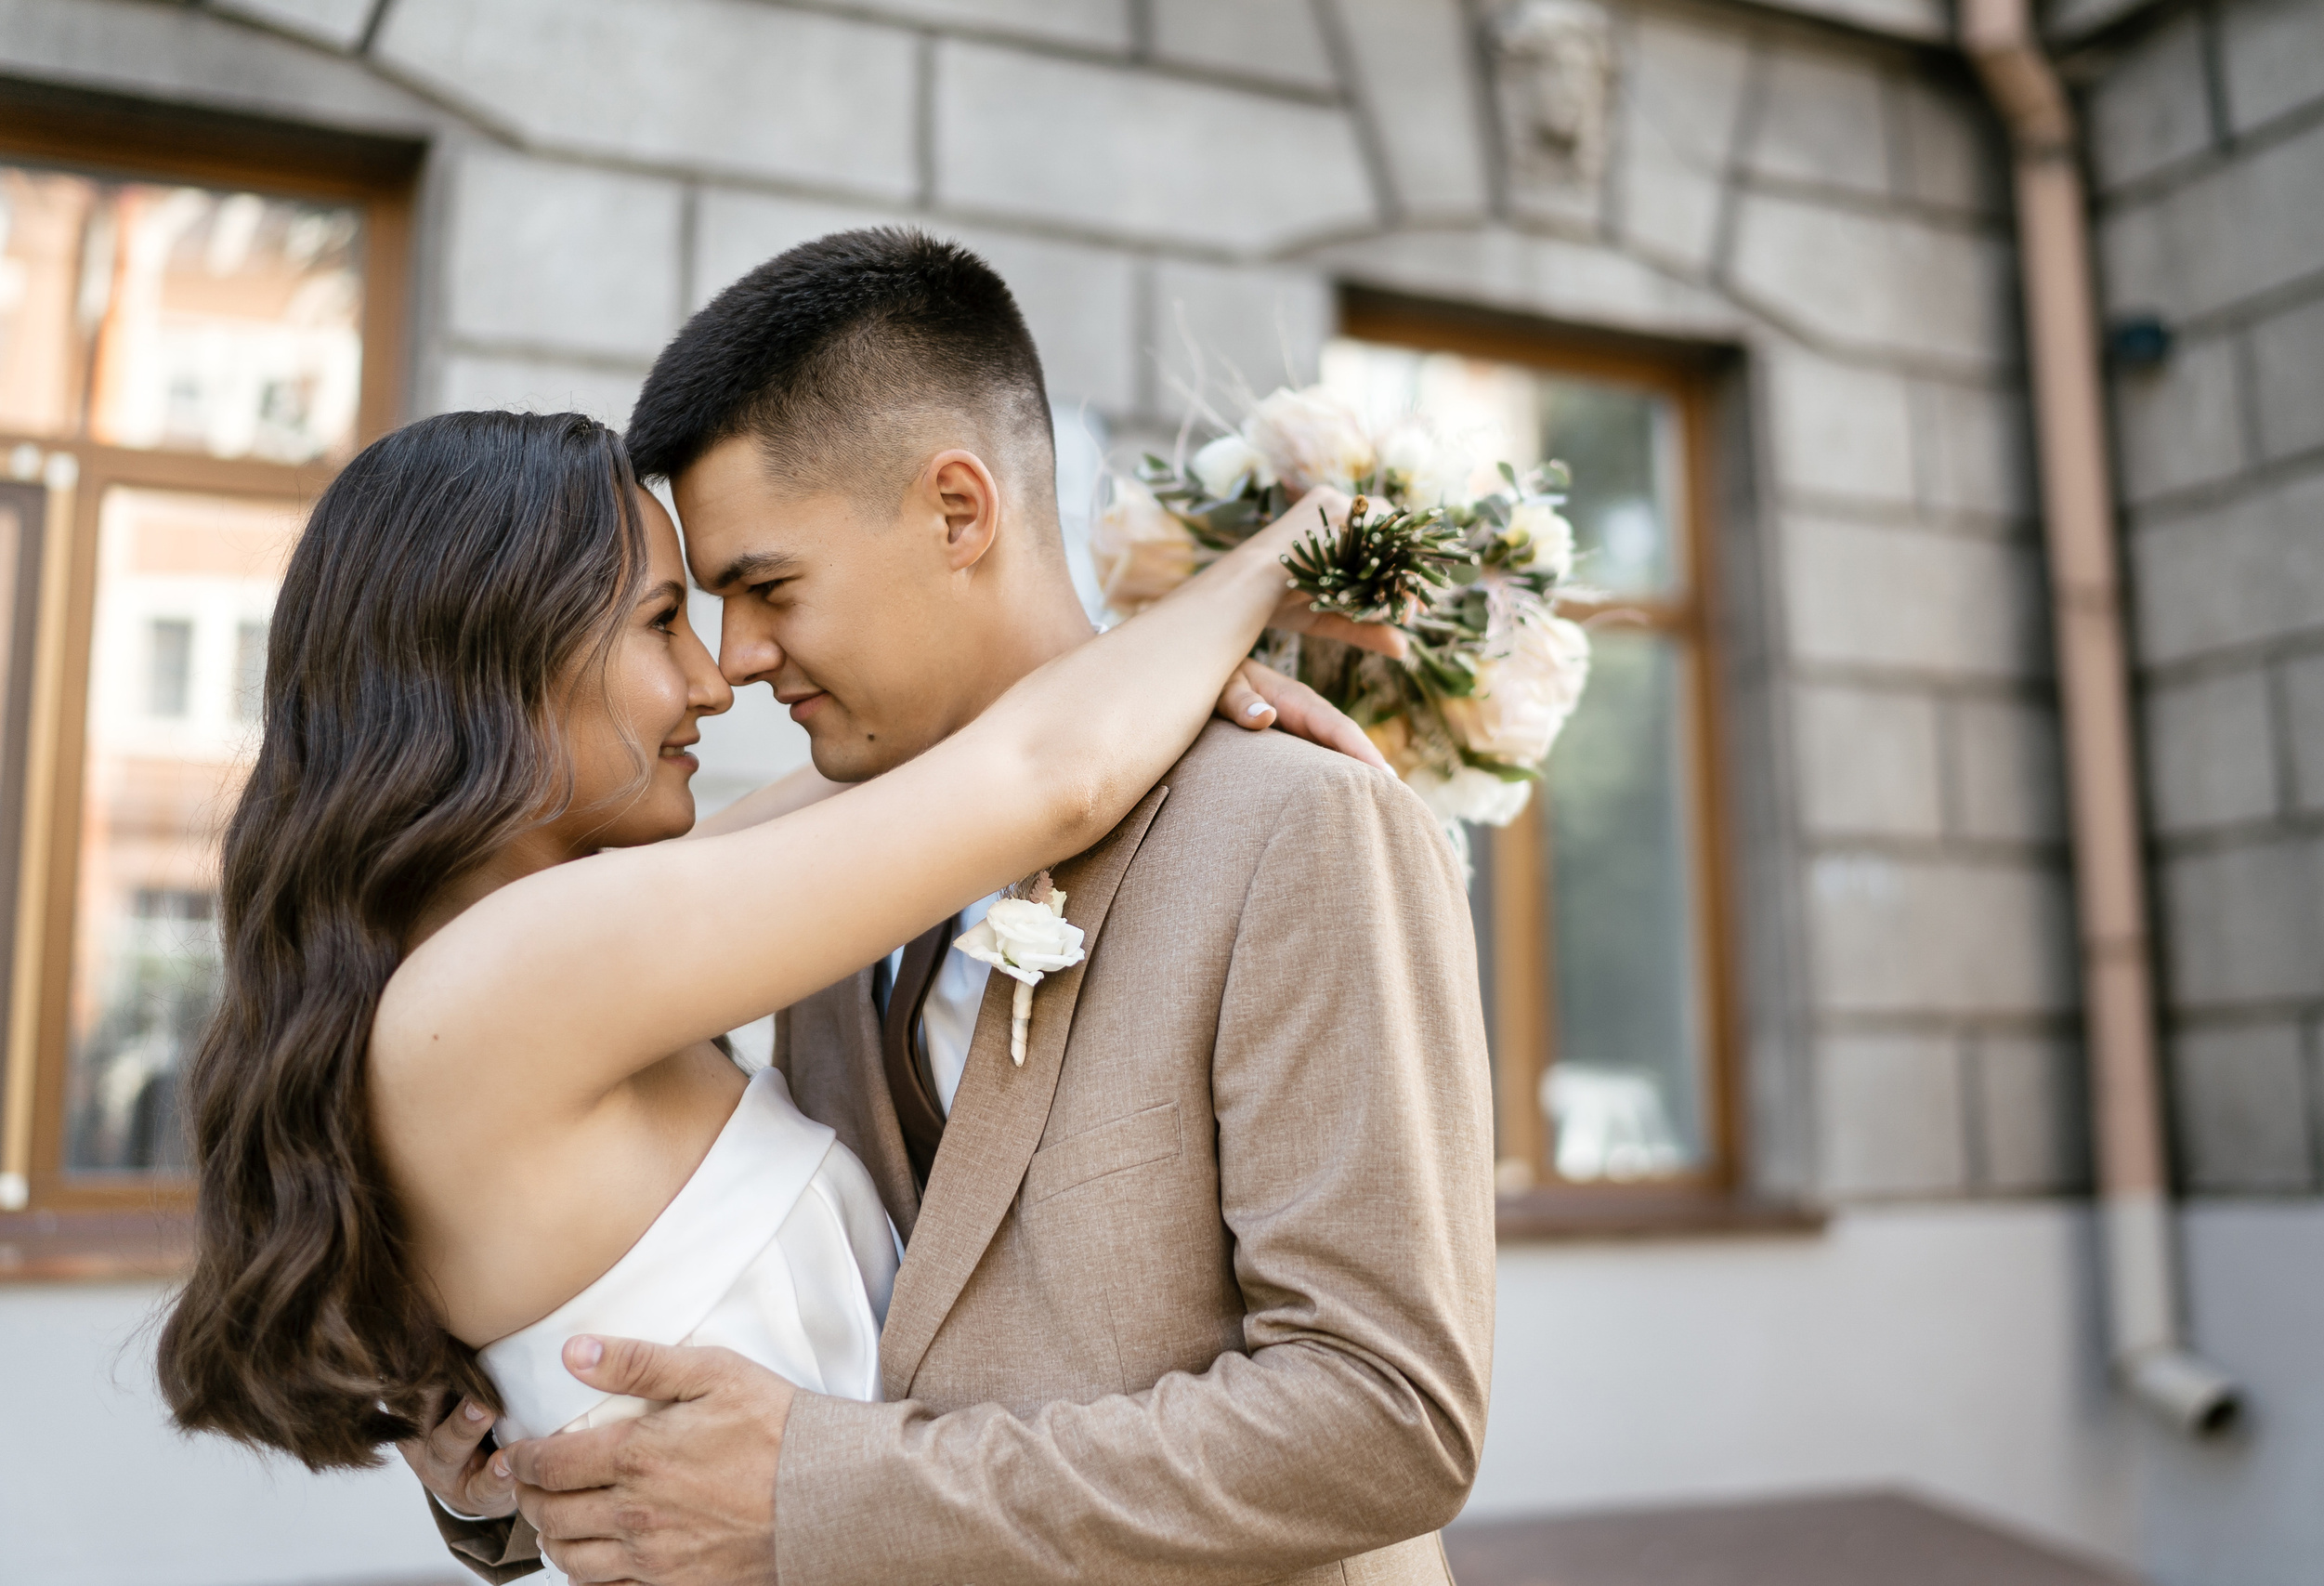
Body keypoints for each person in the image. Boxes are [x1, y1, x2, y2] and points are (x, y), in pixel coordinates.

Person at [412, 229, 1496, 1586]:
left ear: (958, 513)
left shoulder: (1291, 822)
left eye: (766, 587)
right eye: (698, 609)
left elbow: (1387, 1423)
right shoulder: (821, 889)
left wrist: (828, 1494)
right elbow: (819, 1328)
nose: (736, 663)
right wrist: (520, 1468)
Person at [150, 404, 1384, 1553]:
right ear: (497, 659)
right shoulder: (514, 979)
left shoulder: (507, 952)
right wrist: (1294, 547)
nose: (711, 677)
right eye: (659, 621)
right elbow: (1042, 775)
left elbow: (933, 764)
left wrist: (1166, 664)